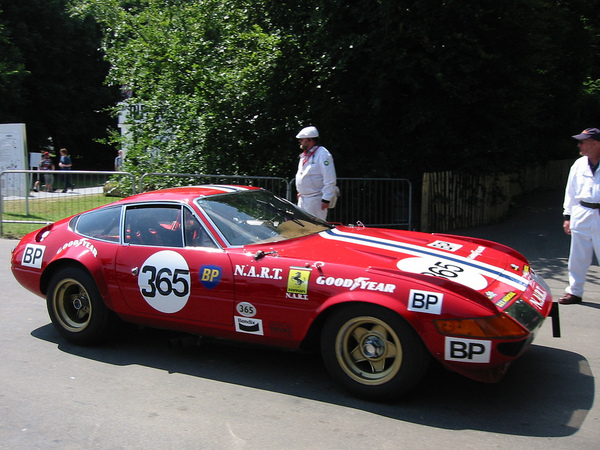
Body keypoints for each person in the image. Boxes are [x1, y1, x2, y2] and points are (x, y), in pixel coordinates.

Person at [560, 127, 600, 304]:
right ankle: (575, 291)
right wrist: (567, 216)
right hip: (582, 213)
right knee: (577, 257)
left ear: (595, 144)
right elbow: (571, 191)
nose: (579, 145)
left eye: (583, 142)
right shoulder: (579, 164)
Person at [294, 126, 337, 221]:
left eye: (302, 139)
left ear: (309, 140)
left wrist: (326, 199)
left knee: (316, 228)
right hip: (303, 198)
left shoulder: (323, 154)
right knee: (303, 227)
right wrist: (301, 191)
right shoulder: (305, 155)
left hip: (316, 199)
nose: (300, 141)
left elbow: (330, 178)